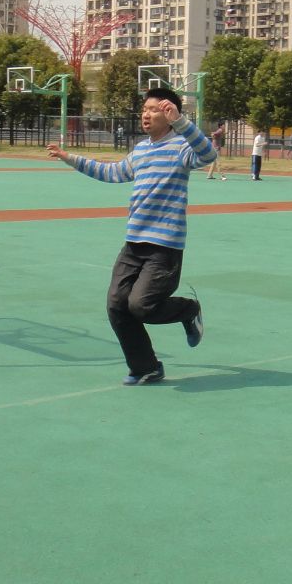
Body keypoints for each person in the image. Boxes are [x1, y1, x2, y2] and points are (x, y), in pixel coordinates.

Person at [48, 85, 212, 385]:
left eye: (153, 110)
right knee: (116, 305)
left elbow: (208, 153)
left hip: (164, 247)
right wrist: (69, 158)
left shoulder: (181, 148)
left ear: (168, 113)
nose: (145, 115)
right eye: (144, 110)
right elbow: (112, 173)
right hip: (134, 243)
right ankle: (145, 367)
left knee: (141, 306)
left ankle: (189, 310)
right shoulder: (141, 149)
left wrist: (181, 122)